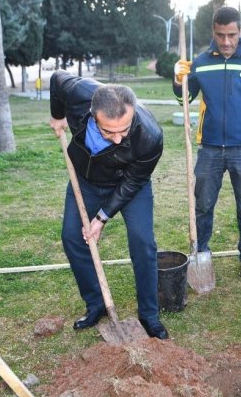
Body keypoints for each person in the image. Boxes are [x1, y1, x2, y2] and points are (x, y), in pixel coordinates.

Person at [49, 70, 168, 339]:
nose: (118, 139)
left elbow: (133, 182)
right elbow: (57, 80)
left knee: (143, 242)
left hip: (128, 184)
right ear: (92, 115)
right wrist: (57, 115)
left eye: (124, 130)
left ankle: (149, 315)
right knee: (72, 238)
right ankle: (96, 303)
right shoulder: (79, 94)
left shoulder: (150, 137)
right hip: (86, 181)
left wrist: (101, 218)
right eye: (108, 131)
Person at [172, 6, 241, 280]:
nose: (226, 41)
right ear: (213, 32)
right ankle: (199, 251)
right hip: (210, 149)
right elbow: (184, 100)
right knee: (203, 205)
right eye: (220, 35)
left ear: (240, 31)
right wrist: (178, 79)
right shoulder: (202, 62)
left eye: (231, 34)